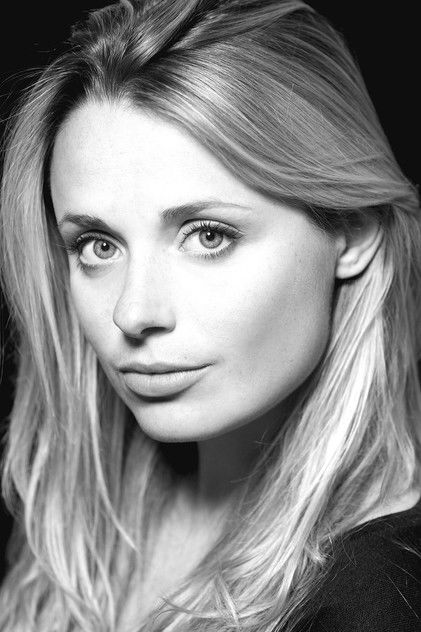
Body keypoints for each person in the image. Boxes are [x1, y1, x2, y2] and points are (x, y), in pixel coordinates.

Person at [0, 0, 420, 630]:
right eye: (97, 246)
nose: (132, 313)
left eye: (208, 235)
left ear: (352, 231)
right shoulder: (71, 533)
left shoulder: (380, 596)